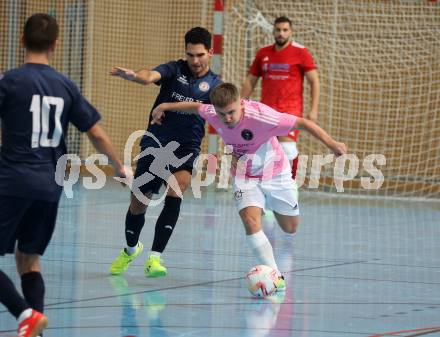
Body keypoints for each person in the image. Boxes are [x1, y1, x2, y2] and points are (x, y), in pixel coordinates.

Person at [0, 13, 127, 337]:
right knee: (29, 259)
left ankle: (25, 314)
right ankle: (36, 329)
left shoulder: (11, 81)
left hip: (13, 181)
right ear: (56, 45)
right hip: (50, 184)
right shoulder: (65, 86)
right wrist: (119, 167)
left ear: (21, 40)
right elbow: (96, 133)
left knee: (25, 259)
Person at [151, 83, 346, 290]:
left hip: (276, 174)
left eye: (232, 112)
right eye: (222, 114)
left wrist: (332, 144)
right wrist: (164, 106)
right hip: (245, 176)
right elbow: (194, 107)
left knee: (290, 227)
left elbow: (303, 123)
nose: (227, 119)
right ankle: (275, 276)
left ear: (241, 103)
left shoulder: (263, 117)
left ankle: (270, 203)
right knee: (250, 221)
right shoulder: (212, 113)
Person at [109, 27, 222, 278]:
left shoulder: (215, 85)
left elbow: (220, 111)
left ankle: (155, 258)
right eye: (190, 55)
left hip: (187, 147)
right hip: (157, 142)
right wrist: (136, 76)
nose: (195, 60)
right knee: (139, 202)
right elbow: (151, 75)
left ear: (210, 53)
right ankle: (130, 249)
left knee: (176, 190)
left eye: (200, 55)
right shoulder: (175, 69)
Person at [241, 16, 320, 179]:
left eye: (285, 30)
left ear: (291, 32)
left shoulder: (301, 52)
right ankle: (266, 185)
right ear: (273, 31)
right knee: (265, 151)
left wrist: (314, 110)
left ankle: (292, 185)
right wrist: (241, 104)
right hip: (266, 111)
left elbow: (314, 81)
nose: (281, 33)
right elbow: (251, 79)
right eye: (278, 30)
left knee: (288, 149)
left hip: (290, 110)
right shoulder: (263, 53)